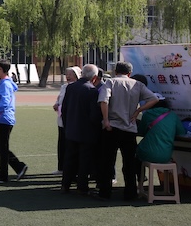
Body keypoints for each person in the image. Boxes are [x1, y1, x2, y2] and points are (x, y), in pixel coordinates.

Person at [98, 61, 159, 200]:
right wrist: (138, 110)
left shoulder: (111, 82)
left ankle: (105, 192)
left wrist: (106, 119)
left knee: (107, 161)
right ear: (129, 73)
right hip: (129, 127)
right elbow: (154, 99)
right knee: (129, 162)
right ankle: (130, 192)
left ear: (115, 71)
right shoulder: (137, 84)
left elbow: (104, 101)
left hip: (112, 126)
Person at [60, 64, 102, 195]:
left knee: (69, 158)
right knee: (84, 159)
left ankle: (65, 185)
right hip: (86, 130)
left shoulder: (71, 87)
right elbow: (94, 114)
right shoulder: (92, 90)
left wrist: (67, 125)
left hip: (71, 128)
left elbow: (64, 109)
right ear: (94, 77)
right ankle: (82, 186)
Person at [0, 59, 28, 184]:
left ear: (4, 70)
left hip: (4, 118)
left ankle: (3, 175)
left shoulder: (5, 84)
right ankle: (18, 167)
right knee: (1, 146)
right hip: (2, 118)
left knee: (1, 147)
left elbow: (4, 103)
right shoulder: (4, 83)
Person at [52, 66, 82, 175]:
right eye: (67, 74)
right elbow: (60, 98)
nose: (68, 76)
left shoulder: (78, 87)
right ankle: (61, 168)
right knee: (61, 144)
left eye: (70, 74)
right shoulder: (64, 87)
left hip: (72, 121)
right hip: (62, 120)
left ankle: (72, 169)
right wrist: (57, 104)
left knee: (71, 145)